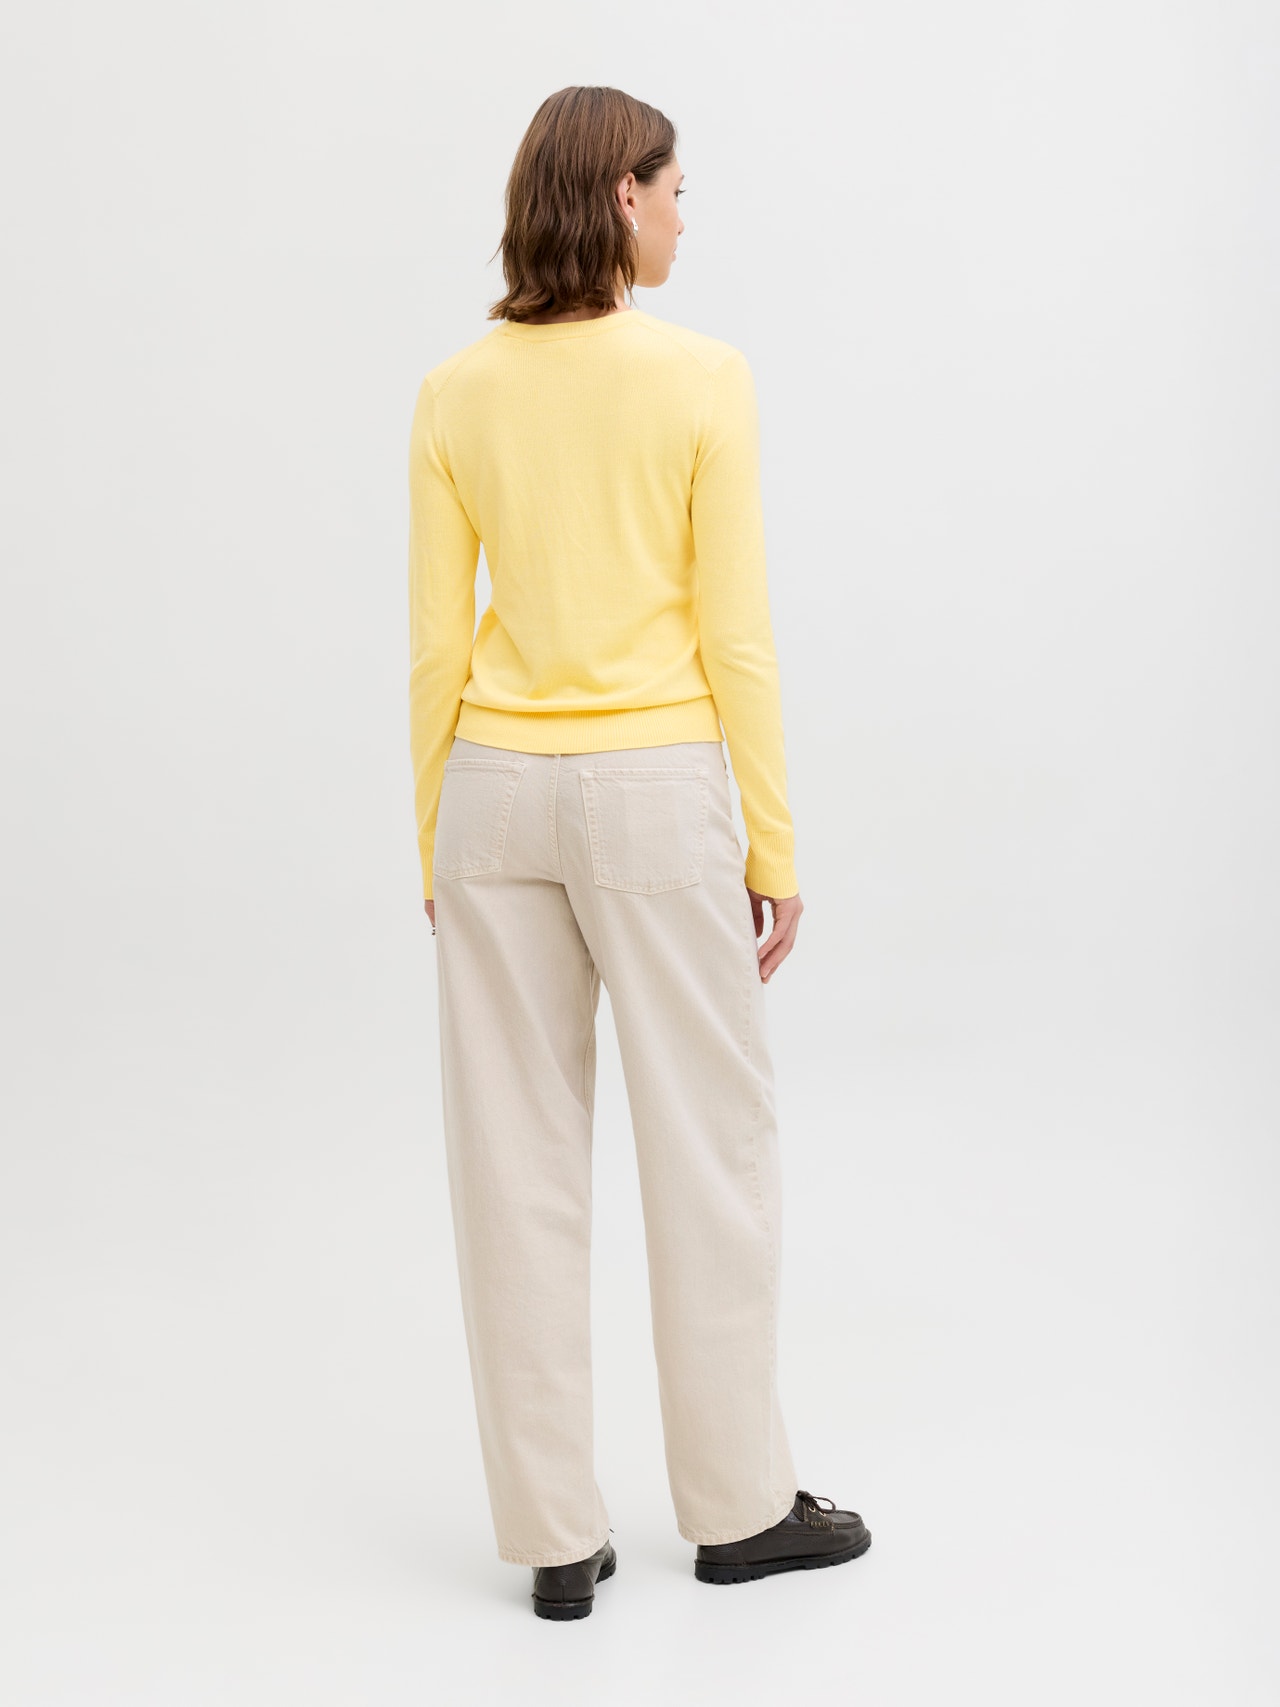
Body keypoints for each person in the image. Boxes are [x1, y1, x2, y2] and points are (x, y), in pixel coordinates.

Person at [407, 84, 871, 1620]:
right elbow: (736, 634)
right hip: (658, 793)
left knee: (513, 1165)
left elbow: (435, 647)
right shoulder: (701, 378)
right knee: (710, 1150)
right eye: (674, 189)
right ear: (621, 195)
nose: (684, 215)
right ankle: (738, 1511)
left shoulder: (455, 391)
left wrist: (432, 836)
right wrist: (775, 844)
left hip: (491, 797)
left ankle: (554, 1537)